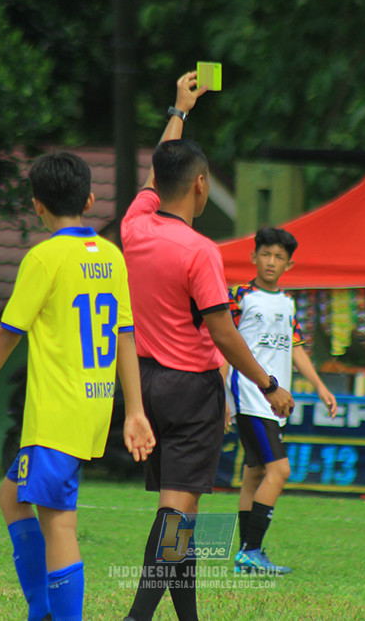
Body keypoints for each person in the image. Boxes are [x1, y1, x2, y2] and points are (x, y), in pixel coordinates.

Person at [0, 152, 155, 621]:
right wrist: (134, 410)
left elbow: (6, 334)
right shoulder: (112, 257)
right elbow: (125, 334)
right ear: (90, 199)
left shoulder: (44, 257)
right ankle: (41, 607)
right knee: (11, 496)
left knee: (59, 522)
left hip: (57, 413)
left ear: (37, 205)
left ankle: (59, 615)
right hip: (93, 405)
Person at [120, 71, 296, 621]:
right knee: (177, 512)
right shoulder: (201, 251)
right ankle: (138, 616)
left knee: (185, 512)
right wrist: (269, 385)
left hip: (147, 383)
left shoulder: (134, 225)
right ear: (200, 185)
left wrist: (180, 109)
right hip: (192, 388)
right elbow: (223, 332)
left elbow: (159, 167)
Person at [225, 226, 337, 575]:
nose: (271, 262)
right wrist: (222, 396)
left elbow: (295, 348)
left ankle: (246, 554)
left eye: (279, 257)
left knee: (255, 473)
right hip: (250, 396)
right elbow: (222, 345)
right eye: (265, 254)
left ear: (289, 264)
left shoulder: (288, 304)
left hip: (275, 402)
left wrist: (319, 385)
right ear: (253, 257)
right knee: (280, 470)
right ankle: (252, 551)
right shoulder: (239, 297)